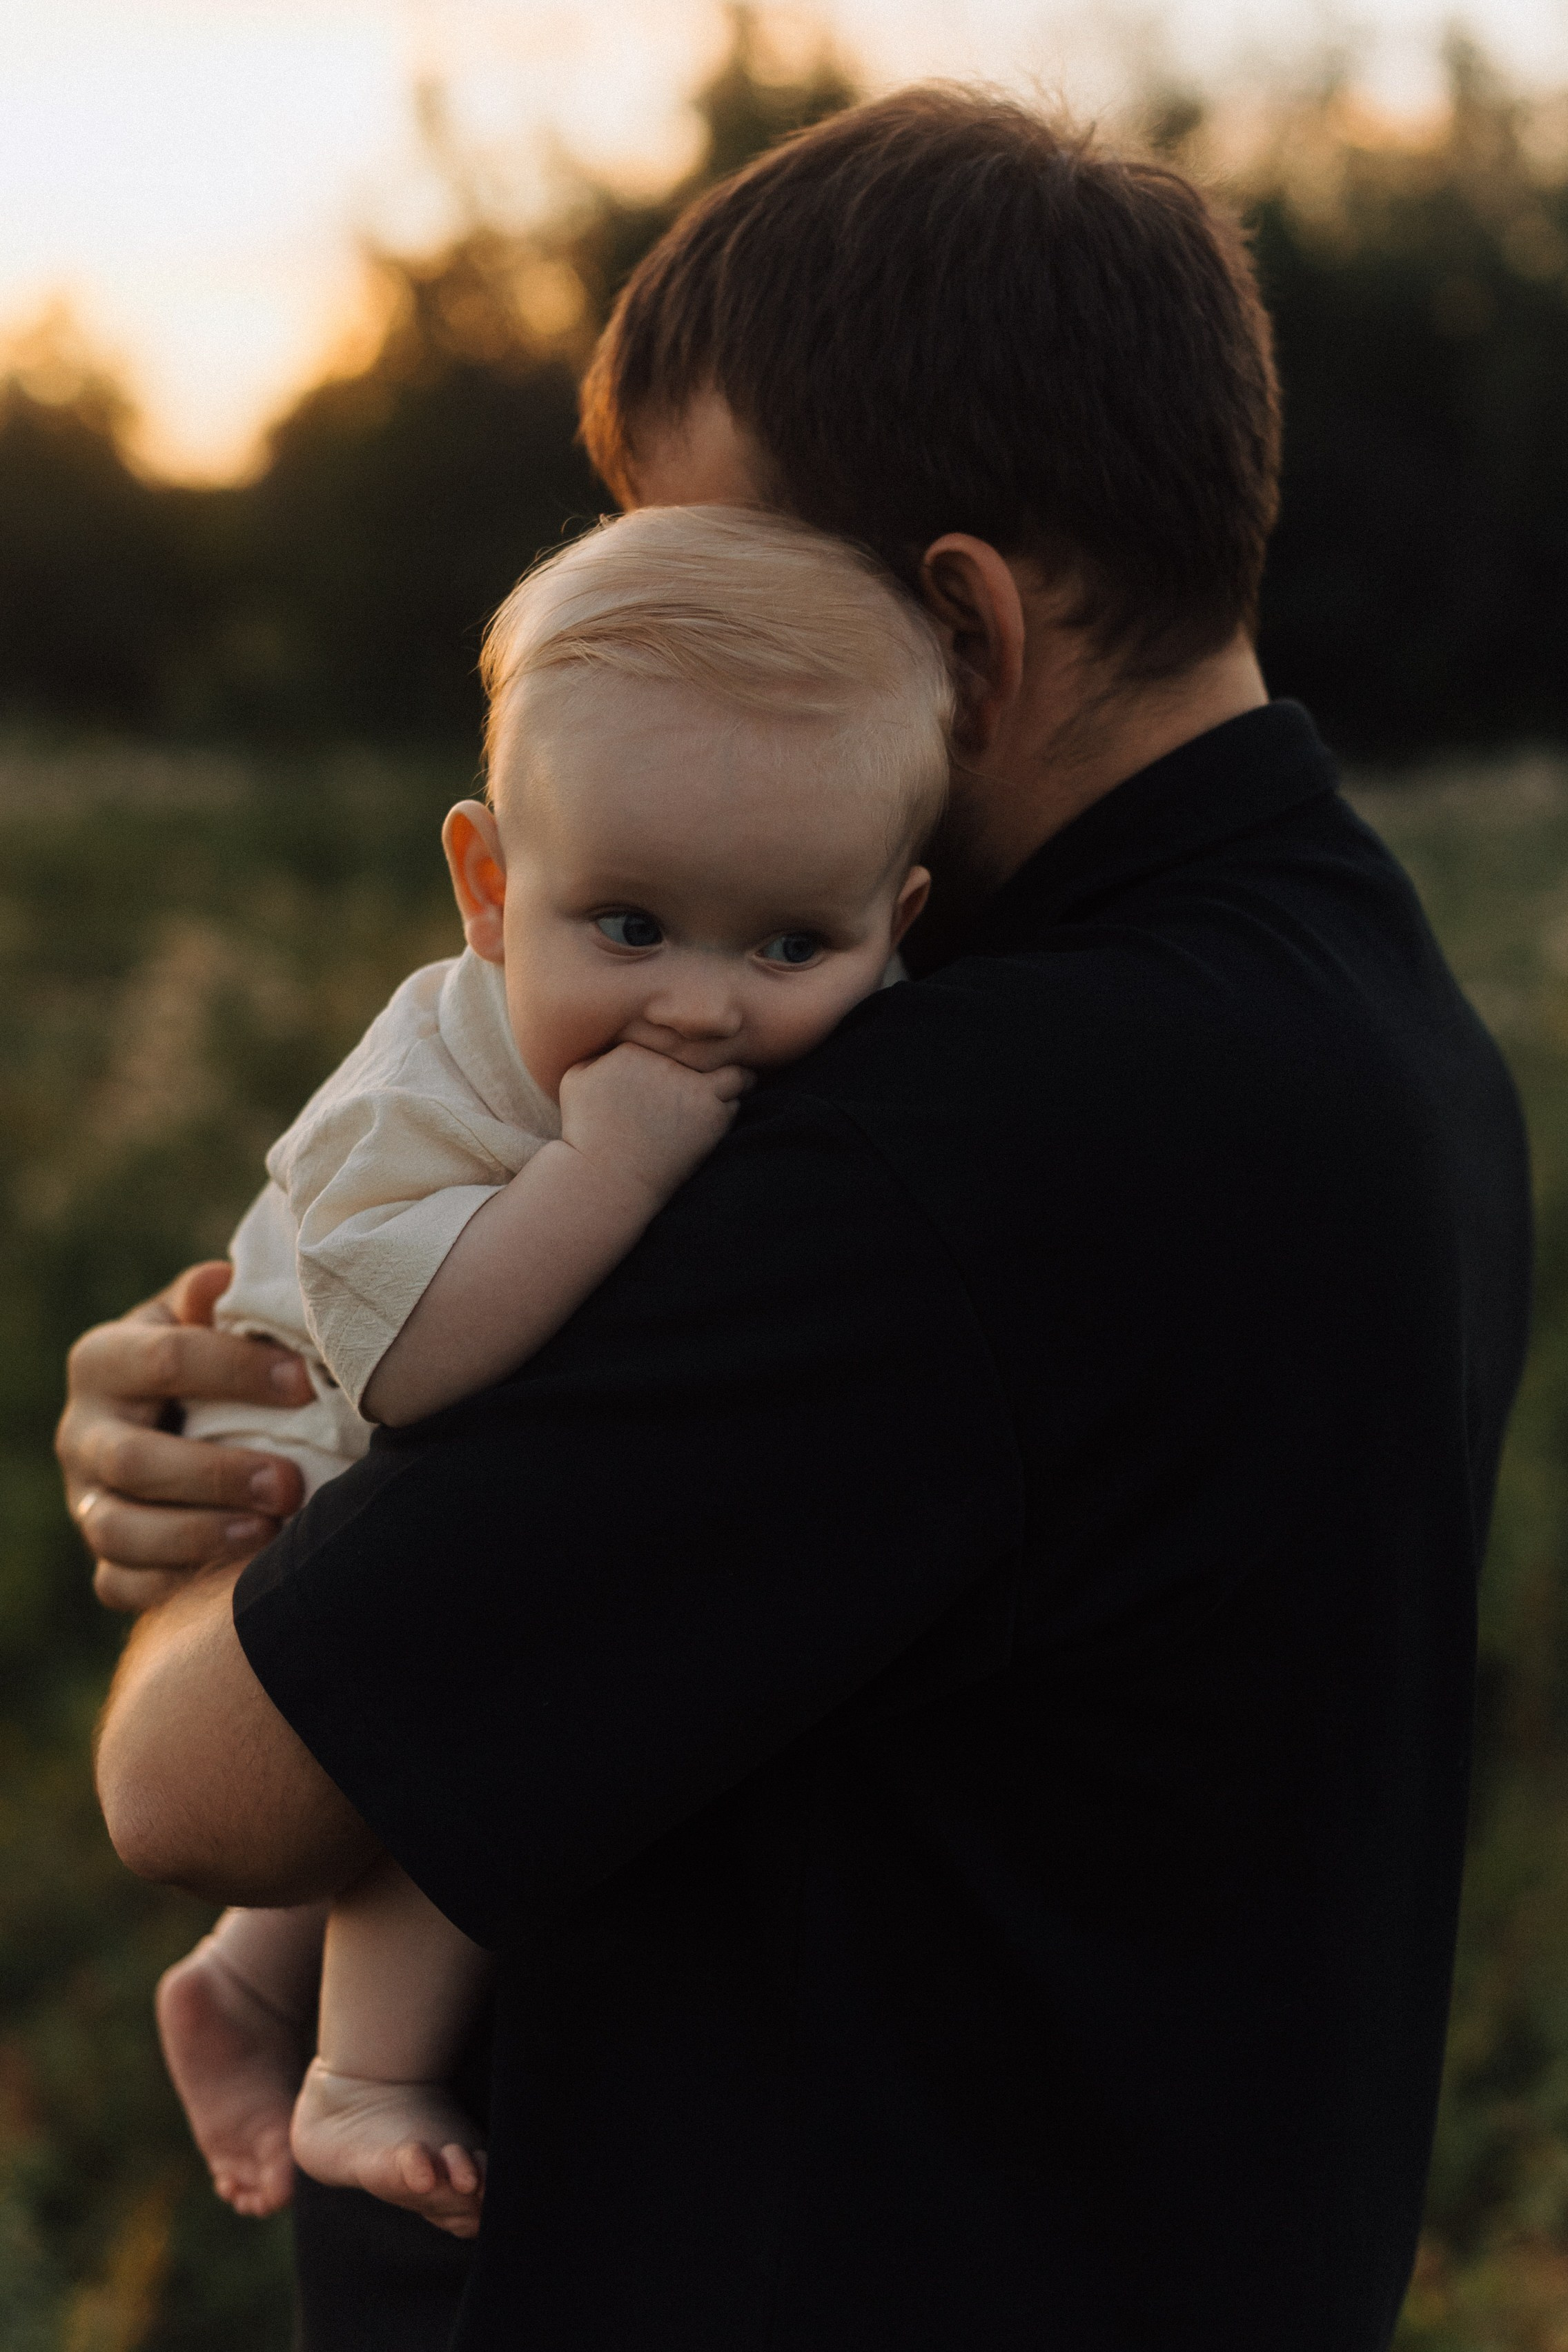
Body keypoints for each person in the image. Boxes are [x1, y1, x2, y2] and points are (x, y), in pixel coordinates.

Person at [73, 88, 1531, 2352]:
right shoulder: (1367, 1005)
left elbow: (199, 1781)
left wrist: (224, 1509)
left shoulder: (969, 1140)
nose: (640, 655)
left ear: (957, 631)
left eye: (703, 584)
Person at [153, 502, 945, 2240]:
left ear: (898, 921)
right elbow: (425, 1372)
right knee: (484, 1693)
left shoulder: (783, 1004)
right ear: (491, 891)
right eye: (632, 926)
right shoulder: (416, 1098)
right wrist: (605, 1170)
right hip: (323, 1387)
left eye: (791, 947)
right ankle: (360, 2076)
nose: (703, 1007)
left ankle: (240, 1980)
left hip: (406, 1355)